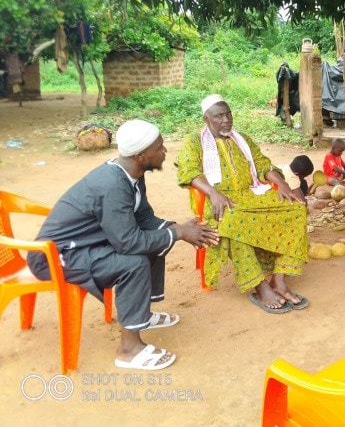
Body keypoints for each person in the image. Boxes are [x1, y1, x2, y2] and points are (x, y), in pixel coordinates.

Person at [26, 120, 219, 371]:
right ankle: (128, 350)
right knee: (134, 261)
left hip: (88, 243)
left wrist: (181, 229)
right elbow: (128, 242)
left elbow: (145, 219)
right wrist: (180, 232)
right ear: (141, 156)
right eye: (159, 147)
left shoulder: (132, 174)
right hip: (57, 256)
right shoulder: (113, 185)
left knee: (158, 236)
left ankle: (141, 316)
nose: (164, 151)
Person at [175, 94, 310, 313]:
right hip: (219, 199)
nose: (226, 119)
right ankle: (260, 285)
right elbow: (188, 172)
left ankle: (279, 278)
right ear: (206, 119)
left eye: (228, 113)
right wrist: (213, 192)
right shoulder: (194, 141)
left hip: (251, 193)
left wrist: (282, 184)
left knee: (297, 207)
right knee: (233, 218)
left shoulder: (242, 138)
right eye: (219, 116)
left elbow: (262, 164)